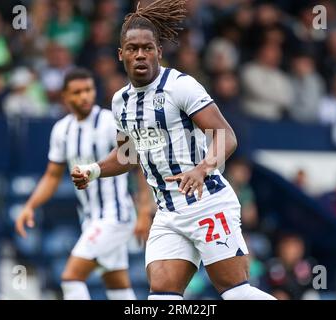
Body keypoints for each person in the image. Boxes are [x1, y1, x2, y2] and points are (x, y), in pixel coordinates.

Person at [71, 0, 275, 300]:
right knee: (161, 297)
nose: (140, 54)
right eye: (132, 48)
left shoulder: (181, 86)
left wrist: (203, 168)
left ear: (159, 51)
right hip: (168, 213)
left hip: (207, 203)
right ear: (121, 54)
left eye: (147, 47)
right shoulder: (120, 102)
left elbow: (226, 136)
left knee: (235, 293)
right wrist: (94, 170)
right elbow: (128, 156)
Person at [15, 68, 152, 300]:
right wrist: (30, 205)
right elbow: (52, 176)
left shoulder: (111, 122)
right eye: (77, 92)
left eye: (88, 90)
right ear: (65, 97)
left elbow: (138, 164)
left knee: (70, 277)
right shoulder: (61, 130)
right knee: (117, 283)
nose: (84, 96)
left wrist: (145, 212)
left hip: (116, 215)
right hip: (90, 218)